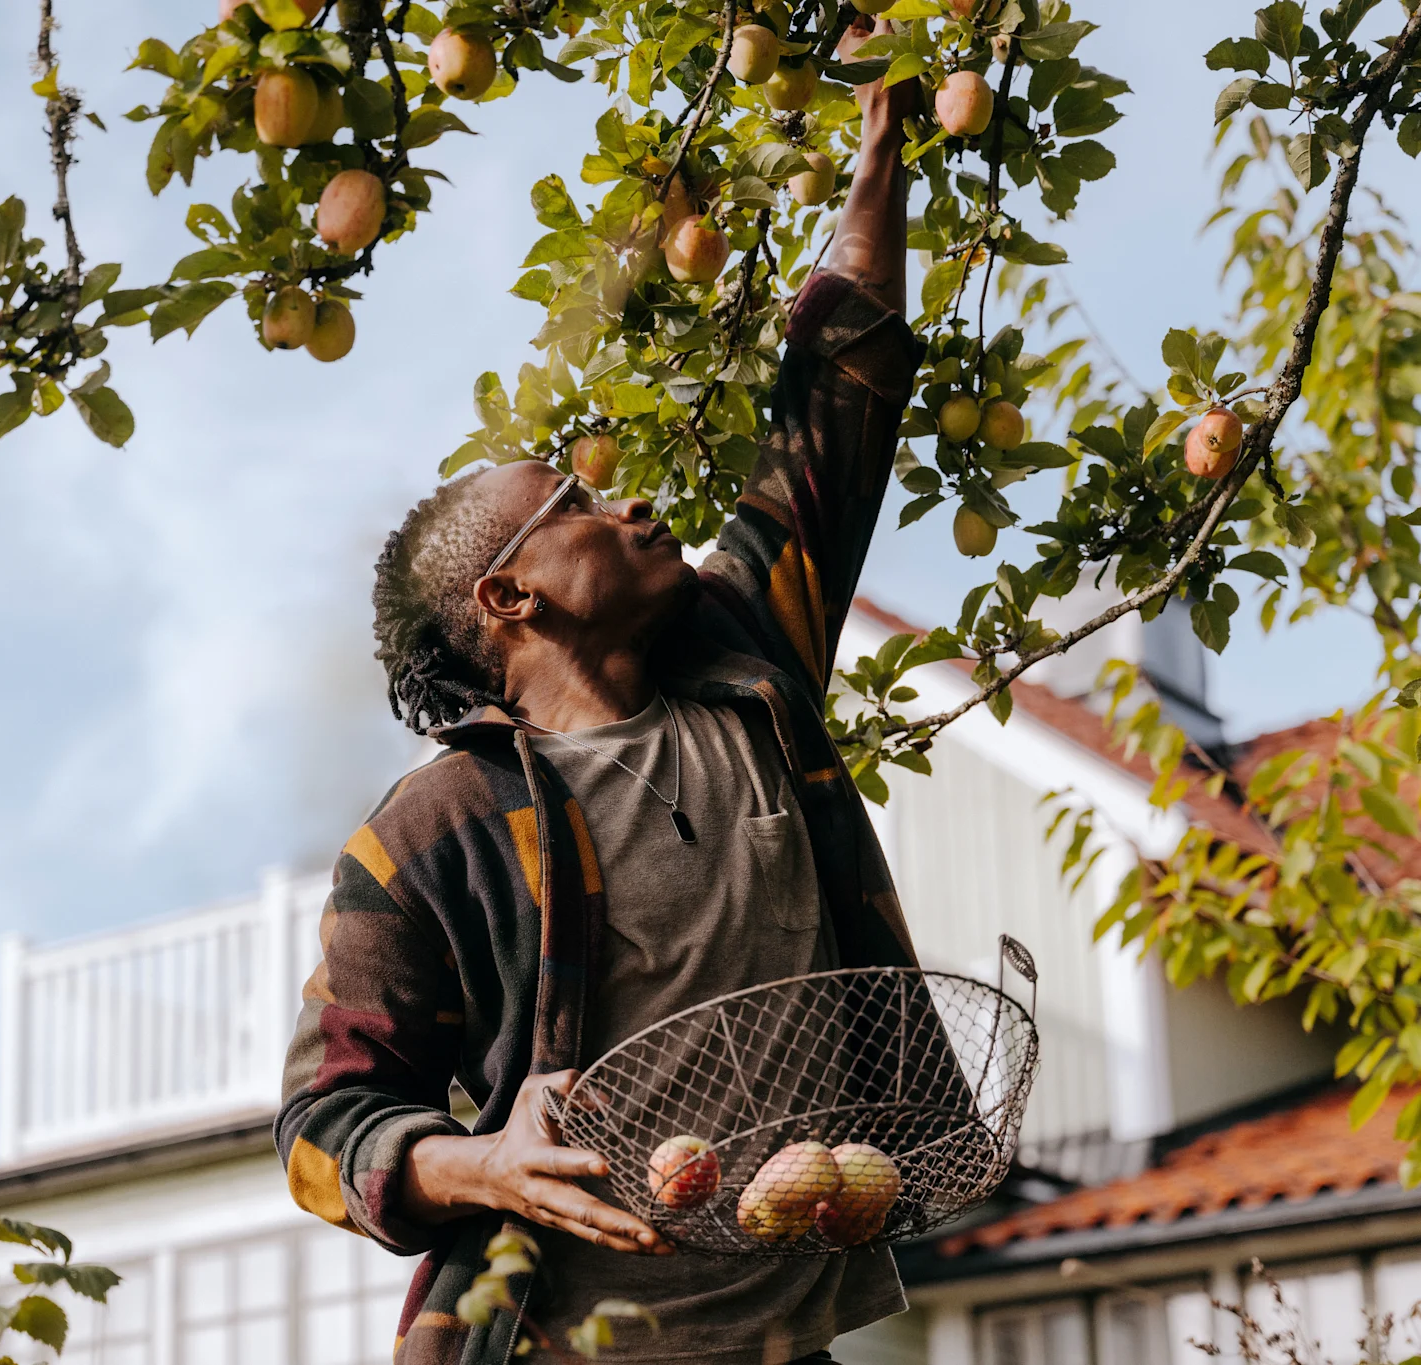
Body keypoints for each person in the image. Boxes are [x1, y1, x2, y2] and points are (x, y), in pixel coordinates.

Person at [275, 22, 926, 1364]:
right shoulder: (432, 832)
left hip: (780, 1336)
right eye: (572, 506)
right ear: (511, 601)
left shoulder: (748, 668)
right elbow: (320, 1133)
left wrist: (880, 153)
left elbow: (838, 396)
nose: (626, 498)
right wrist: (483, 1164)